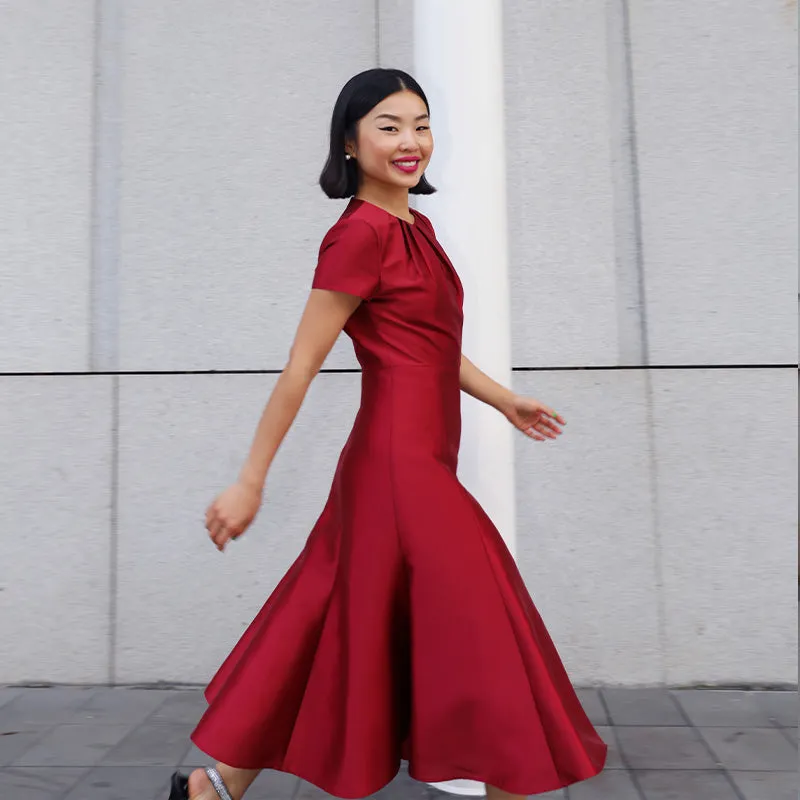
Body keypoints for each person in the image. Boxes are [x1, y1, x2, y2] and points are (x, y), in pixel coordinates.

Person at [168, 68, 607, 800]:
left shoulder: (415, 228)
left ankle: (212, 788)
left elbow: (429, 345)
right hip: (399, 466)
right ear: (349, 141)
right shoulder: (359, 236)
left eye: (421, 124)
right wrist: (251, 479)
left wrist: (504, 400)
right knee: (487, 632)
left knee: (335, 613)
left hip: (417, 458)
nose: (411, 142)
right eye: (389, 126)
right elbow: (302, 365)